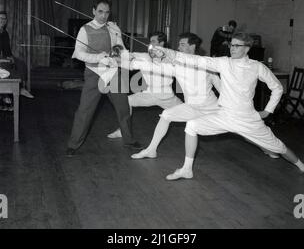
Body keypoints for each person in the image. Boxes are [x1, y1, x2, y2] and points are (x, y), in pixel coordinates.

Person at [154, 33, 304, 180]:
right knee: (192, 125)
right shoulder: (224, 62)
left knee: (280, 148)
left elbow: (277, 87)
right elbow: (197, 60)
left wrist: (267, 111)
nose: (232, 48)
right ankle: (187, 170)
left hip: (247, 119)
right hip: (224, 115)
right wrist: (168, 52)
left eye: (237, 46)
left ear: (247, 49)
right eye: (231, 45)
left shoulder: (257, 67)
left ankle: (301, 165)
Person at [66, 0, 142, 157]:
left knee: (123, 107)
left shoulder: (113, 27)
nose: (103, 15)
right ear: (93, 11)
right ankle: (73, 145)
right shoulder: (84, 29)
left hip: (113, 72)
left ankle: (128, 140)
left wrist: (118, 54)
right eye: (100, 11)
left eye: (107, 12)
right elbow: (78, 53)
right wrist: (99, 58)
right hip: (94, 74)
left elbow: (120, 47)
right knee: (85, 111)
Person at [131, 32, 220, 160]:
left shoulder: (207, 65)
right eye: (179, 45)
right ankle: (151, 150)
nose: (179, 48)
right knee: (166, 115)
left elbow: (221, 88)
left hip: (212, 108)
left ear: (193, 46)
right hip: (192, 107)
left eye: (182, 44)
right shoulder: (177, 64)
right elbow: (159, 65)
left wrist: (228, 106)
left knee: (245, 129)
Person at [107, 31, 182, 139]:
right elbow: (125, 55)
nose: (149, 44)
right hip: (149, 95)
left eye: (153, 41)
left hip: (167, 97)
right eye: (150, 41)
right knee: (126, 102)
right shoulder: (145, 56)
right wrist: (117, 35)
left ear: (161, 44)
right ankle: (122, 130)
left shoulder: (170, 58)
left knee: (190, 115)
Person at [0, 11, 34, 110]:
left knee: (20, 63)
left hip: (3, 56)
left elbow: (7, 49)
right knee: (6, 67)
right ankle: (6, 94)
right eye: (0, 18)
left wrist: (10, 57)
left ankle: (20, 88)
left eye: (4, 19)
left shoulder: (5, 33)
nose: (2, 21)